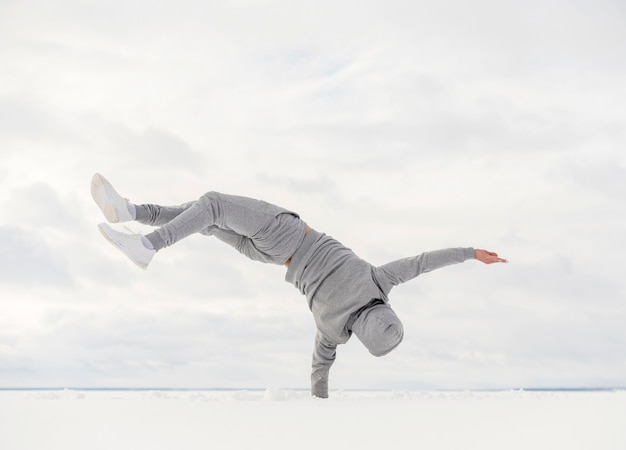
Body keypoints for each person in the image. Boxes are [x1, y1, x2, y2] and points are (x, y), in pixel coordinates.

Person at [91, 173, 508, 398]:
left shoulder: (379, 280)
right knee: (206, 218)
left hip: (290, 237)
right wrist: (318, 407)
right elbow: (319, 369)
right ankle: (130, 211)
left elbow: (424, 262)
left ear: (386, 310)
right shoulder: (333, 330)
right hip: (273, 259)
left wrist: (472, 252)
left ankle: (147, 243)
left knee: (213, 204)